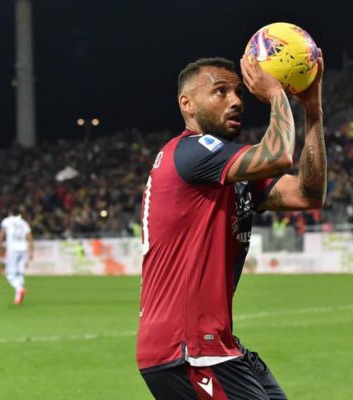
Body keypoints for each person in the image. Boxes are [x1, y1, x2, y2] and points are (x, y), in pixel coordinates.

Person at [136, 53, 326, 399]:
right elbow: (280, 156)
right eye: (220, 92)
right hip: (186, 348)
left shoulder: (225, 170)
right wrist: (277, 94)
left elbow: (307, 194)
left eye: (238, 92)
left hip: (213, 344)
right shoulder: (192, 153)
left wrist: (313, 112)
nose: (236, 100)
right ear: (187, 104)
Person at [0, 207, 34, 304]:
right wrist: (31, 251)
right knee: (19, 273)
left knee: (10, 274)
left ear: (10, 213)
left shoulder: (7, 221)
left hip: (12, 250)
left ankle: (19, 289)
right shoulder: (23, 223)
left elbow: (1, 235)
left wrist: (0, 247)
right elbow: (30, 238)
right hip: (23, 249)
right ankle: (18, 297)